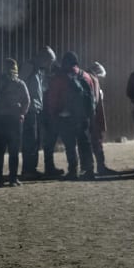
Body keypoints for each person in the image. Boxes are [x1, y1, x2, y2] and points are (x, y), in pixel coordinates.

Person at [44, 51, 97, 180]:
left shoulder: (59, 78)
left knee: (70, 145)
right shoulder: (86, 76)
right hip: (83, 116)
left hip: (65, 116)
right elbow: (93, 96)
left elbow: (53, 98)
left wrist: (52, 113)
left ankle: (73, 170)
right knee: (85, 142)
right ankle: (89, 169)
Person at [0, 58, 29, 187]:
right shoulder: (20, 83)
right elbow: (27, 100)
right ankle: (13, 178)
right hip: (14, 120)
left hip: (0, 120)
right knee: (13, 151)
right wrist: (22, 114)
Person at [21, 46, 57, 179]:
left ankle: (32, 169)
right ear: (43, 58)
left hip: (35, 110)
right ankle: (28, 170)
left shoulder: (38, 70)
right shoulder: (29, 67)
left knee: (35, 140)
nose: (49, 65)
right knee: (30, 140)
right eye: (49, 61)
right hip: (29, 110)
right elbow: (21, 84)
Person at [86, 62, 117, 176]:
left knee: (91, 143)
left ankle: (91, 167)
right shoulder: (93, 80)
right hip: (93, 117)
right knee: (96, 142)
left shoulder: (86, 78)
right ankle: (100, 166)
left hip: (89, 117)